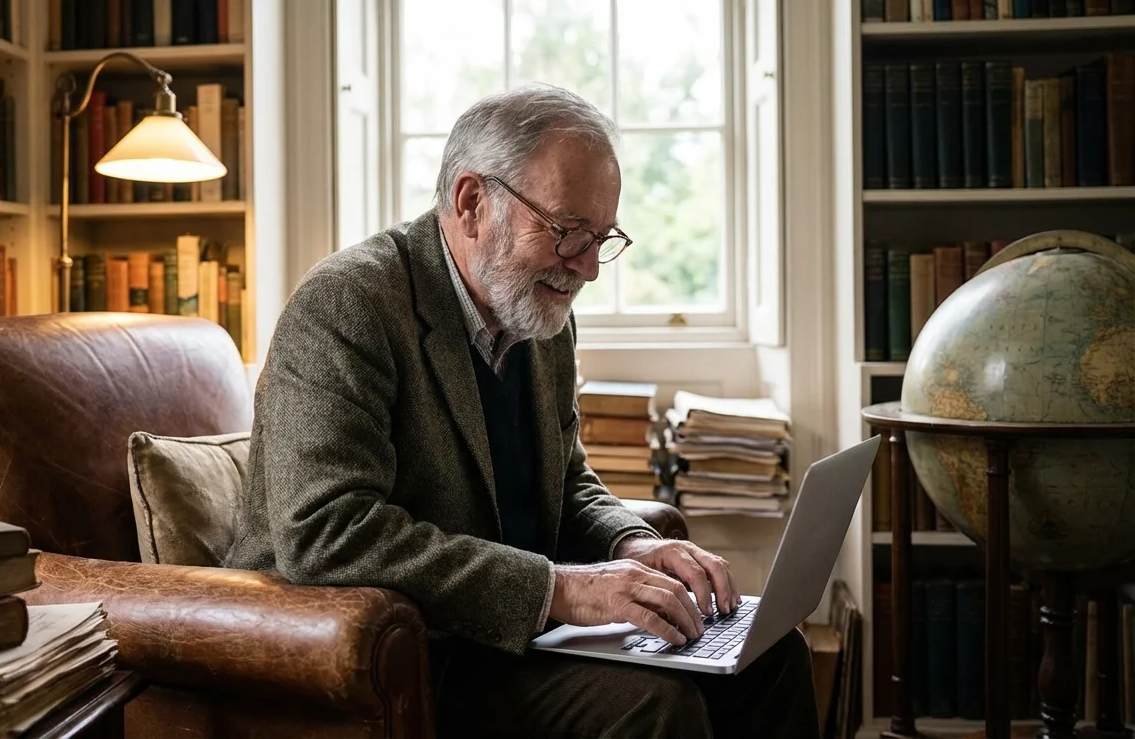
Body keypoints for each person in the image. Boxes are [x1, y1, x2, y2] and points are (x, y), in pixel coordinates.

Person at [224, 84, 818, 738]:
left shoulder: (540, 312)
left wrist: (635, 545)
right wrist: (564, 589)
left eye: (602, 237)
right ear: (473, 202)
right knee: (653, 707)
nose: (588, 268)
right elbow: (327, 534)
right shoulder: (347, 305)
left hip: (517, 637)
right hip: (390, 652)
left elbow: (568, 479)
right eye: (567, 232)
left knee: (772, 654)